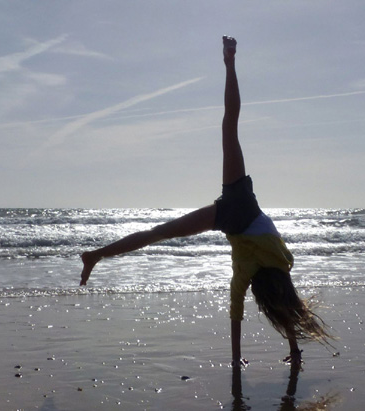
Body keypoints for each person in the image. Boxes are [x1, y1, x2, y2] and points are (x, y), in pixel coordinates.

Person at [80, 36, 333, 367]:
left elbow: (283, 292)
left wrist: (284, 349)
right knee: (159, 231)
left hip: (240, 206)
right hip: (230, 216)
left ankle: (97, 255)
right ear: (260, 292)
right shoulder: (246, 276)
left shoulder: (282, 264)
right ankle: (96, 255)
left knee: (230, 127)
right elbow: (238, 313)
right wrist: (238, 359)